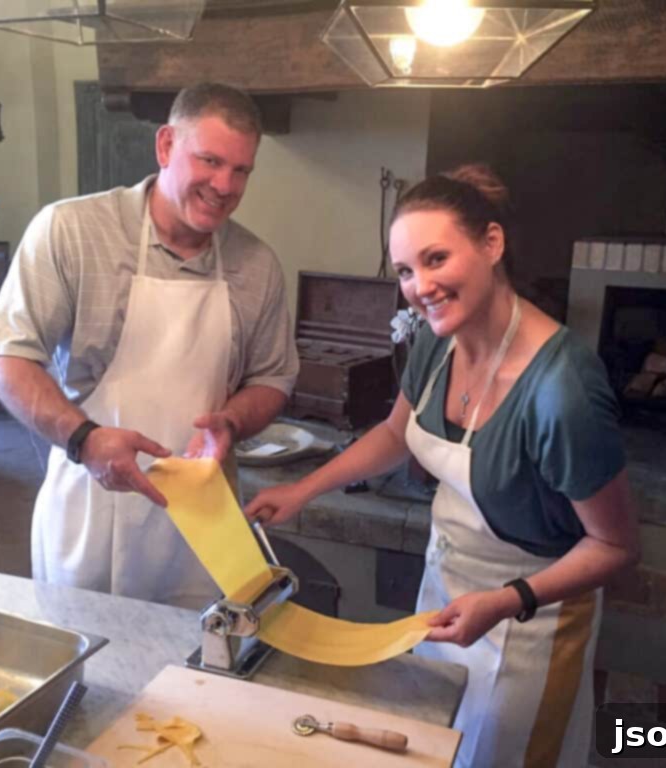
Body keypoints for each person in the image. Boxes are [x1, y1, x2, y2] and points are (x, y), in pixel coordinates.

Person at [245, 164, 639, 767]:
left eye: (435, 259)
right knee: (433, 748)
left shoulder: (563, 390)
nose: (419, 285)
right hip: (446, 600)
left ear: (491, 244)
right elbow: (395, 432)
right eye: (405, 269)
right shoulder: (435, 339)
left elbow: (615, 546)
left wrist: (505, 601)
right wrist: (305, 489)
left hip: (530, 624)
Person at [0, 83, 299, 609]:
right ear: (166, 145)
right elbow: (6, 359)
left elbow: (273, 377)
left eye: (241, 170)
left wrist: (232, 422)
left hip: (201, 526)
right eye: (210, 160)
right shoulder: (71, 231)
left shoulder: (256, 263)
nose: (224, 185)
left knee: (195, 674)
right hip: (89, 504)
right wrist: (84, 439)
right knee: (88, 672)